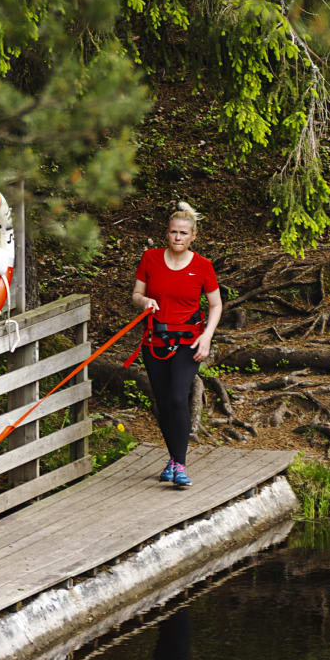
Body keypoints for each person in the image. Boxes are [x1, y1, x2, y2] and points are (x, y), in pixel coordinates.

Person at [132, 201, 221, 489]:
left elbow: (216, 305)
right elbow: (136, 294)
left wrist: (206, 336)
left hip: (188, 343)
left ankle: (180, 465)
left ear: (193, 236)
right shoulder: (151, 259)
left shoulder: (203, 266)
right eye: (173, 232)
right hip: (154, 341)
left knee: (177, 397)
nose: (177, 238)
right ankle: (173, 458)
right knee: (162, 402)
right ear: (166, 234)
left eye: (183, 233)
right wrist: (145, 301)